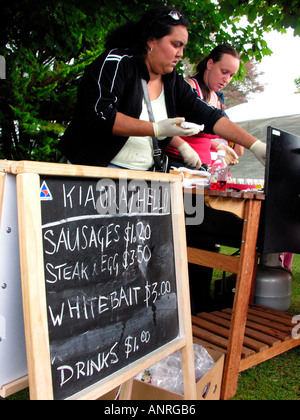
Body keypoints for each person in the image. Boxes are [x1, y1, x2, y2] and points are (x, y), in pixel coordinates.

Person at [58, 7, 266, 171]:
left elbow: (209, 116)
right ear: (151, 40)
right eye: (176, 44)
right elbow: (100, 114)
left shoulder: (172, 80)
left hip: (141, 178)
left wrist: (255, 145)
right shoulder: (118, 63)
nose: (180, 54)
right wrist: (155, 129)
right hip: (92, 173)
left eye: (183, 47)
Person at [165, 44, 244, 170]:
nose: (227, 79)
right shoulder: (188, 88)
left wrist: (218, 146)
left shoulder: (217, 100)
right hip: (176, 163)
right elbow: (163, 125)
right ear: (210, 64)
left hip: (202, 167)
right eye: (224, 72)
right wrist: (183, 147)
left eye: (231, 75)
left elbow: (198, 134)